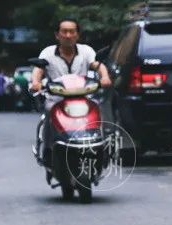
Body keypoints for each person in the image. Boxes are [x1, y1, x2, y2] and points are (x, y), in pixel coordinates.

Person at [30, 19, 112, 159]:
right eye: (64, 32)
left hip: (84, 97)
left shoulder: (86, 51)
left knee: (98, 109)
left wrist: (104, 77)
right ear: (57, 35)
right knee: (48, 112)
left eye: (72, 32)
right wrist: (35, 82)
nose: (68, 35)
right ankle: (48, 150)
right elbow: (38, 69)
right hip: (56, 98)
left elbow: (97, 65)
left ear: (77, 35)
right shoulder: (48, 53)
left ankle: (101, 148)